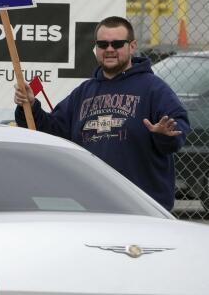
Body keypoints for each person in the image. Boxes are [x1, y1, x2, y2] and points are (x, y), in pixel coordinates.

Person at [14, 16, 189, 211]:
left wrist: (164, 135)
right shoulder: (84, 92)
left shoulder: (153, 88)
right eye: (103, 44)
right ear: (96, 48)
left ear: (132, 46)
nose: (109, 49)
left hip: (142, 207)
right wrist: (29, 106)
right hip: (92, 207)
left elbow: (178, 128)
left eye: (117, 44)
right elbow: (51, 130)